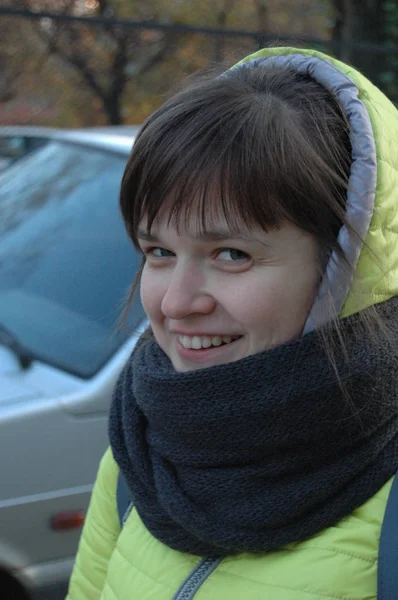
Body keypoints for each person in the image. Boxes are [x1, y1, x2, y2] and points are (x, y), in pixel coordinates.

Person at [66, 46, 398, 600]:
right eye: (158, 251)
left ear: (344, 265)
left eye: (231, 254)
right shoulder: (140, 448)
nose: (175, 303)